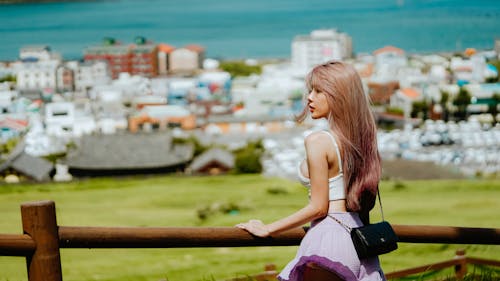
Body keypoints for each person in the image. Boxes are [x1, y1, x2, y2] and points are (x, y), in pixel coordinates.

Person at [236, 61, 386, 281]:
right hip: (358, 241)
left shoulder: (319, 141)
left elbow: (318, 207)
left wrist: (268, 229)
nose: (309, 98)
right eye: (310, 90)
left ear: (338, 95)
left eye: (318, 91)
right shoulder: (360, 142)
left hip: (329, 237)